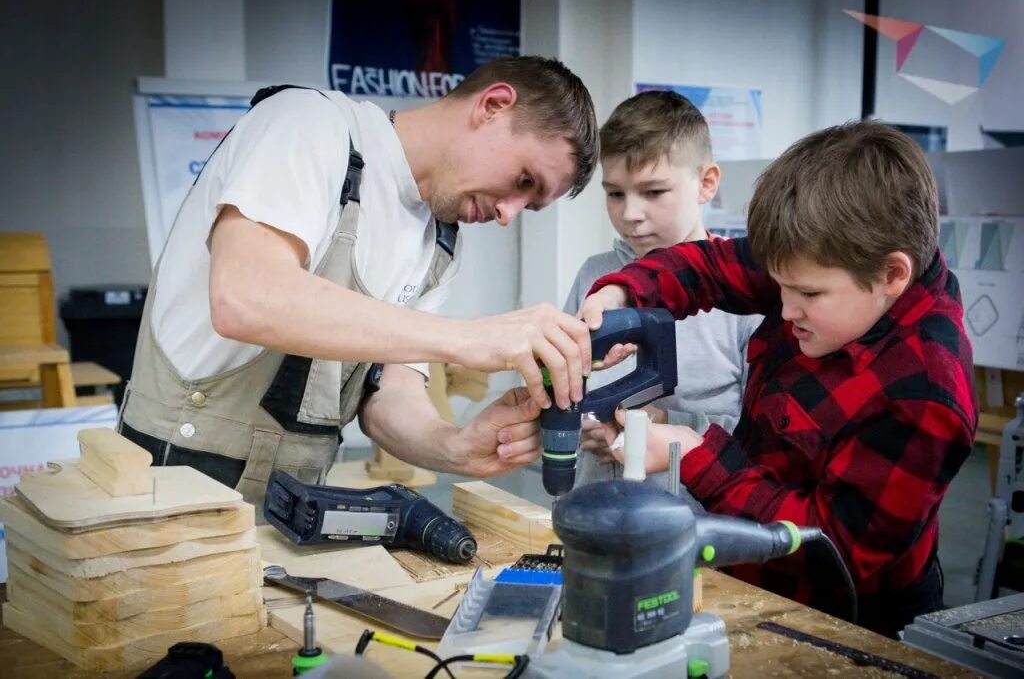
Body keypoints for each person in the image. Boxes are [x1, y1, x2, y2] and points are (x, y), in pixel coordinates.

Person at [119, 56, 598, 505]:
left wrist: (455, 447)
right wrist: (468, 337)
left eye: (529, 207)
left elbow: (388, 396)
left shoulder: (440, 243)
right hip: (172, 486)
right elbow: (246, 298)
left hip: (294, 505)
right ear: (493, 106)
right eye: (524, 181)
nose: (507, 214)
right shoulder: (307, 125)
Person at [581, 121, 978, 637]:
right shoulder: (828, 259)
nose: (784, 309)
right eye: (779, 285)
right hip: (753, 577)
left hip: (845, 618)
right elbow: (714, 267)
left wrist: (698, 455)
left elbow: (829, 549)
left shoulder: (925, 395)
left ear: (892, 276)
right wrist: (624, 295)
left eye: (807, 295)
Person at [562, 91, 758, 490]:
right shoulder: (593, 275)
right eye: (615, 193)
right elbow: (565, 385)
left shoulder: (747, 297)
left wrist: (663, 425)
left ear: (706, 184)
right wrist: (577, 423)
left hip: (698, 533)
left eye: (653, 192)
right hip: (596, 515)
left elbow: (763, 439)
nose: (630, 214)